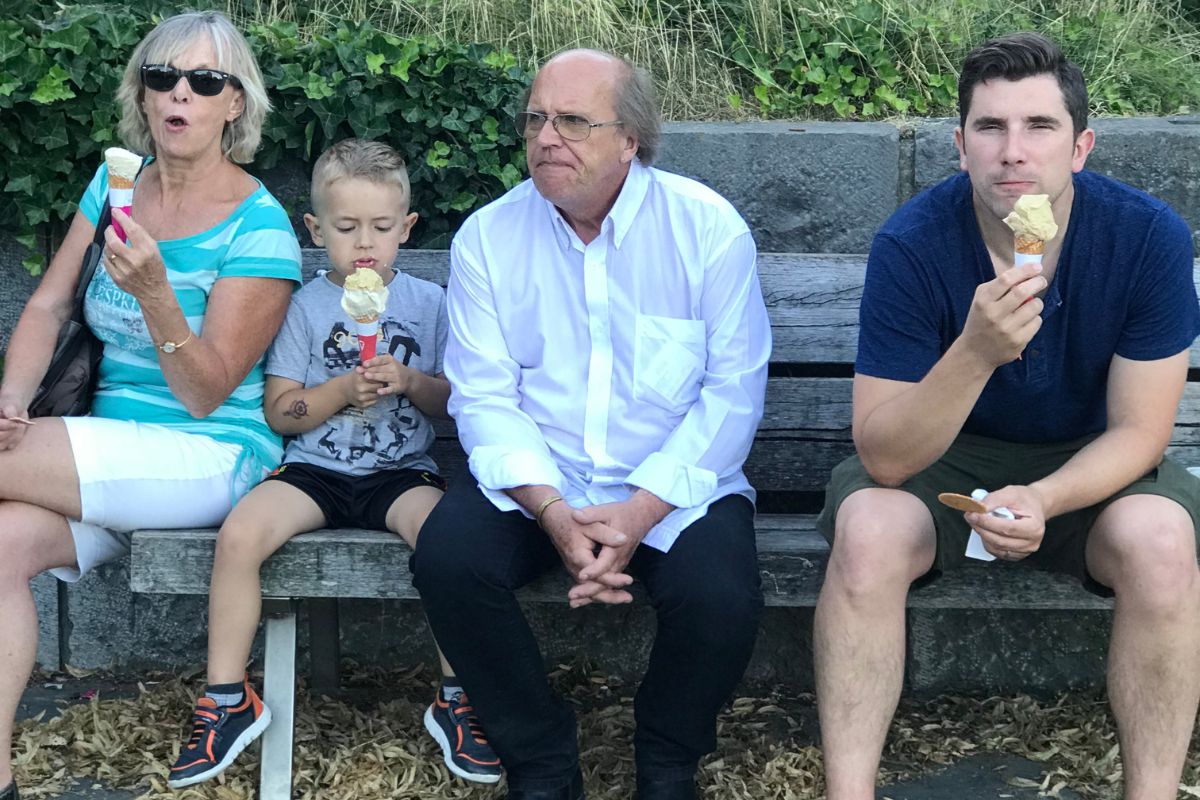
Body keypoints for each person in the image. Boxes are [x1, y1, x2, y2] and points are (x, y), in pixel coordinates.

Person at [813, 32, 1200, 800]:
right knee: (868, 533)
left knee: (1161, 542)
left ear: (1081, 147)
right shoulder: (913, 245)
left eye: (1040, 127)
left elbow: (1140, 431)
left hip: (1091, 460)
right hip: (945, 458)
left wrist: (1047, 498)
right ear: (960, 146)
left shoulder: (1147, 238)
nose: (1012, 153)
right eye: (990, 128)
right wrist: (977, 352)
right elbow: (886, 455)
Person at [411, 49, 772, 800]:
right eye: (536, 118)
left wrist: (641, 511)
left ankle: (667, 762)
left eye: (573, 121)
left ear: (630, 140)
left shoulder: (706, 229)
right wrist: (550, 510)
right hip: (544, 478)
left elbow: (731, 396)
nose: (546, 137)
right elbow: (483, 398)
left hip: (675, 484)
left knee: (721, 596)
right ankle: (540, 760)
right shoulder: (488, 237)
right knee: (450, 557)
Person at [0, 12, 303, 800]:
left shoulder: (260, 228)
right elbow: (45, 307)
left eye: (205, 82)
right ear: (142, 91)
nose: (179, 95)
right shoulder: (116, 185)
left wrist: (161, 296)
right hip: (105, 449)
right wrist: (9, 401)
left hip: (210, 453)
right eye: (162, 77)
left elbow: (207, 393)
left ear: (235, 104)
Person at [167, 138, 501, 788]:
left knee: (449, 544)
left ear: (407, 227)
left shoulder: (432, 306)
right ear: (316, 231)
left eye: (381, 227)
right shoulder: (305, 307)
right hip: (316, 471)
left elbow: (457, 405)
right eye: (347, 229)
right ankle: (227, 699)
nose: (365, 244)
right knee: (239, 535)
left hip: (401, 472)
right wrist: (339, 391)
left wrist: (408, 381)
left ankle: (459, 696)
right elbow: (279, 410)